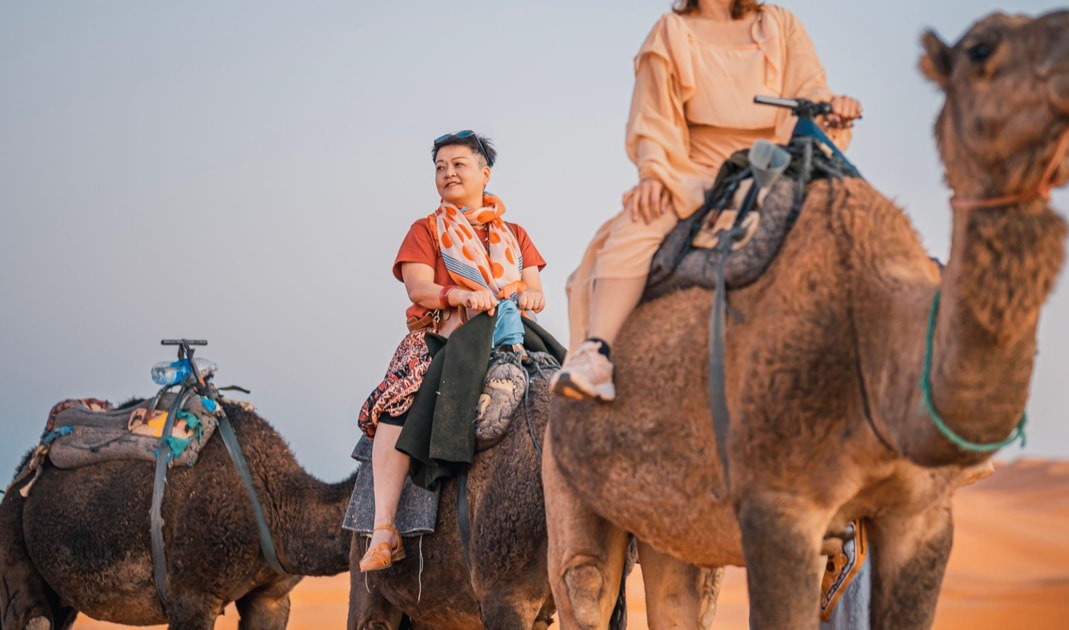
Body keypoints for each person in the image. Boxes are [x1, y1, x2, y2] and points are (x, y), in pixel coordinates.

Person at [552, 0, 862, 401]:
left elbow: (810, 90)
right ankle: (597, 354)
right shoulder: (671, 30)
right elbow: (653, 117)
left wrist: (832, 110)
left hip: (772, 163)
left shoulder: (779, 23)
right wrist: (652, 174)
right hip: (694, 167)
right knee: (637, 224)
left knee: (851, 218)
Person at [356, 131, 547, 572]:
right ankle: (384, 528)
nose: (448, 173)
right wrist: (457, 296)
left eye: (458, 164)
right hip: (443, 335)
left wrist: (531, 298)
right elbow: (419, 287)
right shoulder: (425, 230)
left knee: (568, 389)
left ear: (485, 172)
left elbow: (533, 287)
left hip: (507, 334)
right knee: (397, 405)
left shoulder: (515, 235)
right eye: (440, 167)